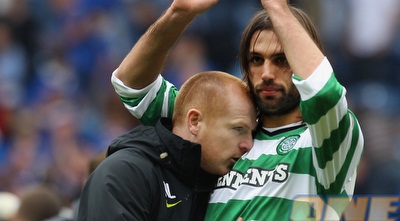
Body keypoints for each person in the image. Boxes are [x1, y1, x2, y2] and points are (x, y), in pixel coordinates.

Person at [111, 0, 364, 220]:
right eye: (256, 60)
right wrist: (178, 13)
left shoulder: (329, 140)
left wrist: (277, 7)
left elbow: (325, 93)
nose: (266, 74)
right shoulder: (219, 127)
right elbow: (132, 86)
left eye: (282, 60)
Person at [77, 71, 257, 220]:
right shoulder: (124, 174)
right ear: (194, 121)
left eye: (251, 133)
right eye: (238, 129)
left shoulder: (218, 185)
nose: (248, 144)